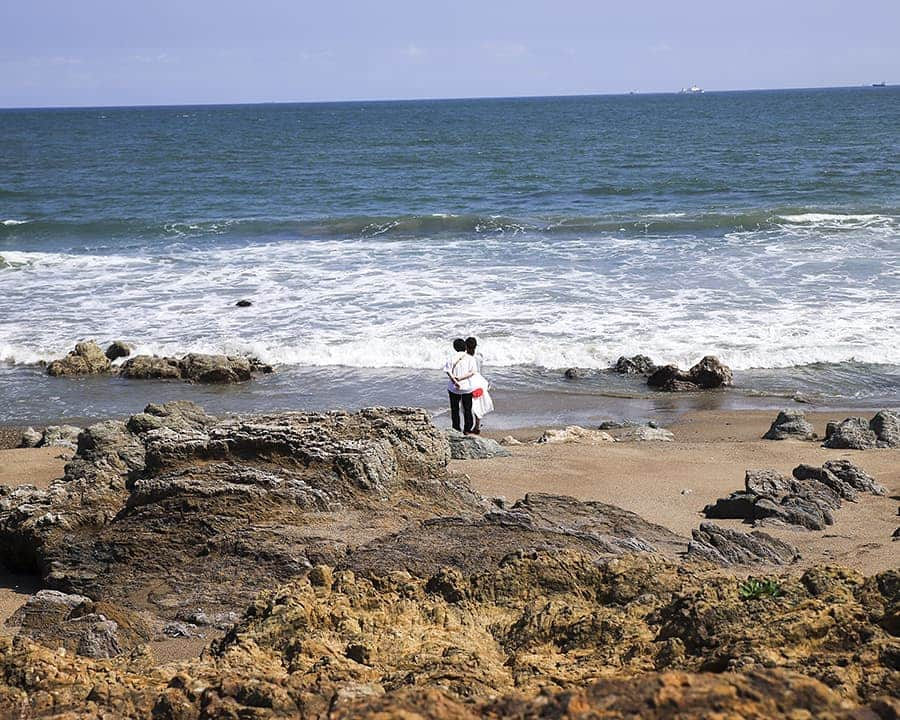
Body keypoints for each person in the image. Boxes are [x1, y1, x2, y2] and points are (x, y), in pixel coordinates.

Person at [443, 338, 478, 433]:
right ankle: (467, 429)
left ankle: (456, 429)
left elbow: (448, 371)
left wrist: (455, 381)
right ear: (465, 347)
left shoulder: (451, 358)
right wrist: (461, 378)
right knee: (467, 409)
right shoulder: (470, 358)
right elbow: (472, 372)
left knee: (455, 409)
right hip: (467, 388)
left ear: (454, 348)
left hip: (453, 388)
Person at [465, 337, 493, 433]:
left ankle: (469, 426)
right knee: (478, 405)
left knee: (468, 406)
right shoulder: (479, 357)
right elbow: (481, 371)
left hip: (470, 383)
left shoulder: (465, 358)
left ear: (466, 347)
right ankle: (477, 426)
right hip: (480, 382)